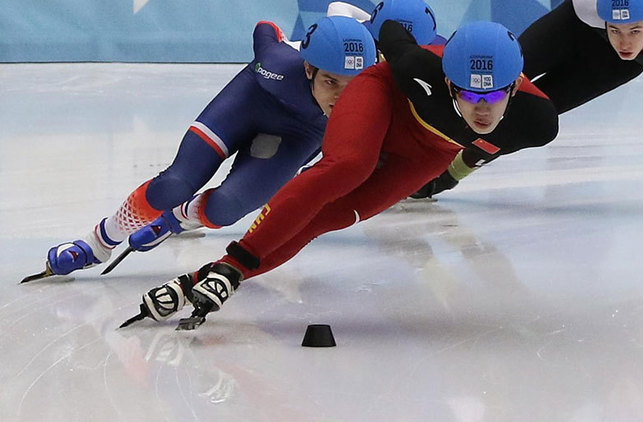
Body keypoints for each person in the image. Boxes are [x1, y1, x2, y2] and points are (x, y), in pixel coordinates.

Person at [121, 19, 559, 329]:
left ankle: (205, 277)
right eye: (468, 93)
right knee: (348, 168)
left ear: (516, 86)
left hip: (427, 150)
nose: (483, 108)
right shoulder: (418, 69)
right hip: (383, 97)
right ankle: (235, 265)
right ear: (447, 83)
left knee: (335, 215)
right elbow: (392, 33)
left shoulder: (537, 121)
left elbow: (478, 151)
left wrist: (453, 172)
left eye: (497, 94)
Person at [26, 0, 442, 282]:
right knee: (175, 182)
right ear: (311, 68)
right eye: (331, 81)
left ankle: (175, 220)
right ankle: (97, 243)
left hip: (300, 133)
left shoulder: (400, 81)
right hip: (251, 100)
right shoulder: (282, 64)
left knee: (226, 209)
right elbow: (266, 32)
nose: (343, 97)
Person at [411, 0, 643, 198]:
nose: (624, 42)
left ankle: (448, 176)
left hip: (611, 67)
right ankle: (414, 140)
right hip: (573, 28)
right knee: (498, 81)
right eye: (615, 29)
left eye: (634, 30)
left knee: (526, 115)